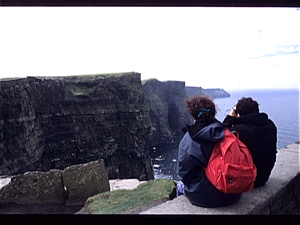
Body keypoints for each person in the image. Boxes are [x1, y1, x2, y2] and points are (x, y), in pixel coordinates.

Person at [177, 95, 241, 207]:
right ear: (213, 113)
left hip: (206, 197)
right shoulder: (227, 133)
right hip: (233, 192)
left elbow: (184, 174)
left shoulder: (188, 140)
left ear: (193, 115)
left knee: (180, 186)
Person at [223, 97, 277, 188]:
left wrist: (230, 116)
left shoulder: (238, 131)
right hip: (263, 178)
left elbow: (219, 133)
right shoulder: (270, 125)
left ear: (238, 114)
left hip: (246, 181)